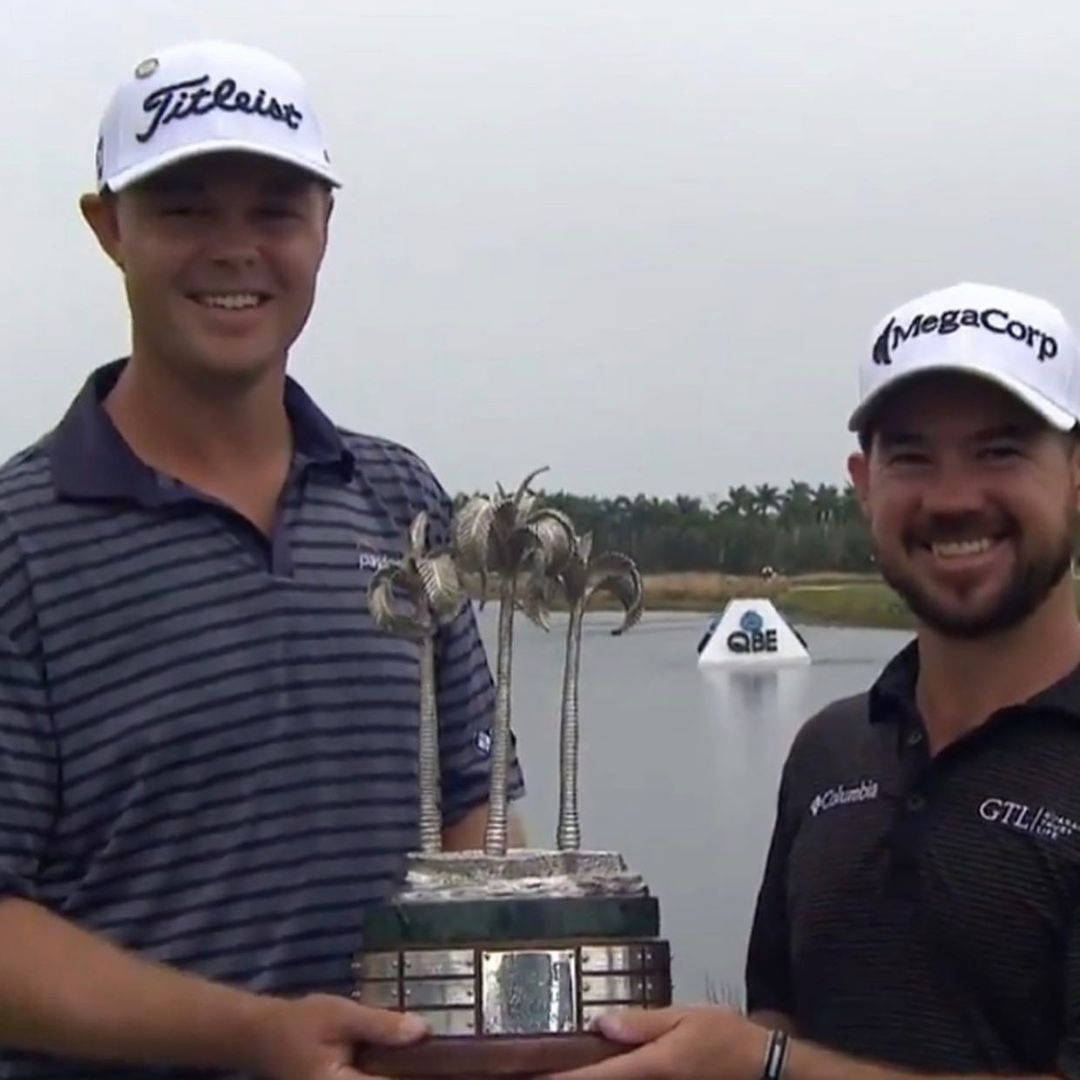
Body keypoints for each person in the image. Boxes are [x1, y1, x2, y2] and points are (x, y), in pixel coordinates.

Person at [0, 39, 525, 1080]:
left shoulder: (405, 500)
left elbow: (474, 811)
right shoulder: (18, 543)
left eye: (275, 211)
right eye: (185, 209)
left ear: (325, 228)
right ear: (110, 229)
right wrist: (253, 1036)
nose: (234, 250)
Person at [555, 281, 1080, 1080]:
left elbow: (768, 1055)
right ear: (864, 483)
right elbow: (778, 1015)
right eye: (911, 456)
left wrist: (760, 1064)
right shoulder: (831, 751)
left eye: (1001, 450)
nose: (953, 497)